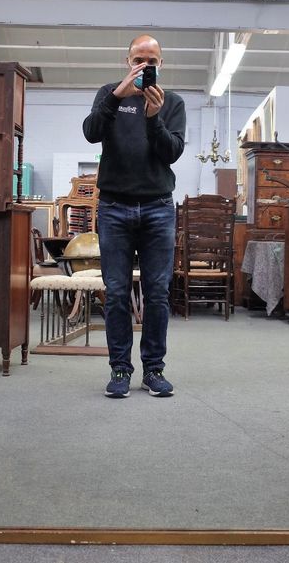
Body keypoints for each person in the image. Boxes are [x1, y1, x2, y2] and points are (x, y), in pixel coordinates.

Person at [83, 34, 186, 398]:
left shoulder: (171, 102)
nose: (145, 66)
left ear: (161, 64)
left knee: (157, 293)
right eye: (139, 59)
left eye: (152, 60)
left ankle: (154, 370)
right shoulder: (109, 93)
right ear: (128, 61)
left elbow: (172, 153)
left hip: (158, 207)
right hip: (114, 207)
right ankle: (120, 370)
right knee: (115, 294)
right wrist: (116, 98)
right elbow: (90, 132)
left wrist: (154, 118)